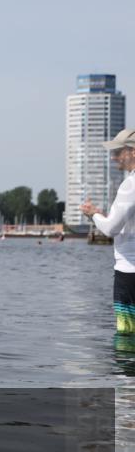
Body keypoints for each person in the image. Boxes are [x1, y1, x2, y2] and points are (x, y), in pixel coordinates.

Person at [81, 128, 135, 335]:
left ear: (133, 152)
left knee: (127, 334)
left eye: (118, 152)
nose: (113, 158)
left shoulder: (130, 185)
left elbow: (111, 228)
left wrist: (94, 215)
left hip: (129, 272)